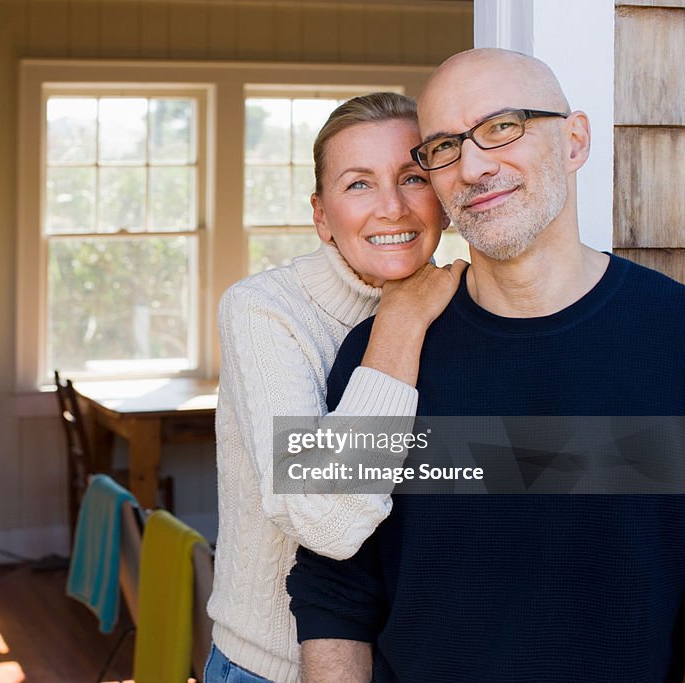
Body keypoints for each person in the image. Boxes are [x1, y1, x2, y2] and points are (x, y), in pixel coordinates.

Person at [287, 48, 685, 682]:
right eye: (444, 146)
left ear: (575, 140)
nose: (473, 165)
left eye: (503, 126)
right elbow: (332, 590)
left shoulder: (673, 334)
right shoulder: (376, 356)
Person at [205, 92, 465, 682]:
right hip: (269, 668)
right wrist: (399, 321)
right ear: (321, 216)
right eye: (358, 185)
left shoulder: (465, 306)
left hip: (403, 664)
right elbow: (328, 522)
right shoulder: (264, 312)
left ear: (445, 200)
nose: (392, 208)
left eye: (413, 177)